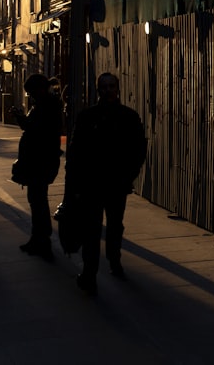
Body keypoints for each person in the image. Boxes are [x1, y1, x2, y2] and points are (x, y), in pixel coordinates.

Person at [66, 72, 147, 295]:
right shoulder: (88, 117)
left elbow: (139, 149)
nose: (108, 90)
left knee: (114, 225)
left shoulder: (128, 117)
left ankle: (114, 259)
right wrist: (75, 183)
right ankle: (90, 274)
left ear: (117, 88)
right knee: (92, 230)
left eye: (112, 86)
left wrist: (129, 174)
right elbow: (75, 153)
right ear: (98, 89)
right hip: (92, 184)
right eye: (104, 87)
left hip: (116, 183)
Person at [10, 73, 63, 260]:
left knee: (38, 199)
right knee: (37, 199)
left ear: (39, 90)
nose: (30, 96)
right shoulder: (47, 105)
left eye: (31, 92)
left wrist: (19, 117)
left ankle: (42, 239)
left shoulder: (46, 106)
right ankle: (38, 237)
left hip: (40, 160)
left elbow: (33, 128)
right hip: (41, 159)